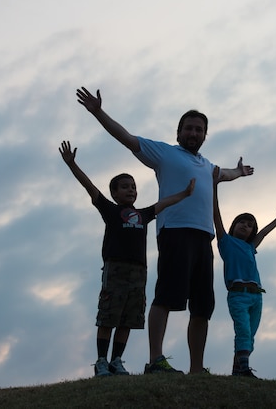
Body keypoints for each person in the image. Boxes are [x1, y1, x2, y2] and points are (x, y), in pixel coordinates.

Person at [76, 87, 254, 374]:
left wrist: (239, 172)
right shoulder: (164, 154)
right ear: (178, 133)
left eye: (199, 129)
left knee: (202, 307)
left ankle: (197, 367)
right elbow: (127, 138)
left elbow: (227, 174)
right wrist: (98, 112)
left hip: (203, 238)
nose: (193, 133)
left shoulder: (208, 166)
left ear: (205, 135)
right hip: (175, 232)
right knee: (167, 298)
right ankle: (155, 360)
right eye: (188, 128)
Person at [59, 140, 195, 377]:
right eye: (124, 187)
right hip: (116, 270)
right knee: (108, 316)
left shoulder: (143, 214)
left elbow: (163, 203)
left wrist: (184, 194)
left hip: (139, 273)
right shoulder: (110, 210)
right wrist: (72, 164)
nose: (130, 190)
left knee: (129, 318)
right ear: (114, 193)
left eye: (133, 187)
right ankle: (101, 361)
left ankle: (116, 361)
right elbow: (89, 186)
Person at [212, 166, 276, 378]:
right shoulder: (226, 242)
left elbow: (262, 233)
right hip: (238, 295)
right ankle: (243, 369)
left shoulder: (250, 247)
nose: (246, 226)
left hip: (256, 297)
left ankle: (238, 368)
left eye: (250, 225)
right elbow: (216, 215)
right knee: (243, 331)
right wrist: (214, 187)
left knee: (250, 336)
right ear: (234, 225)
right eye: (242, 223)